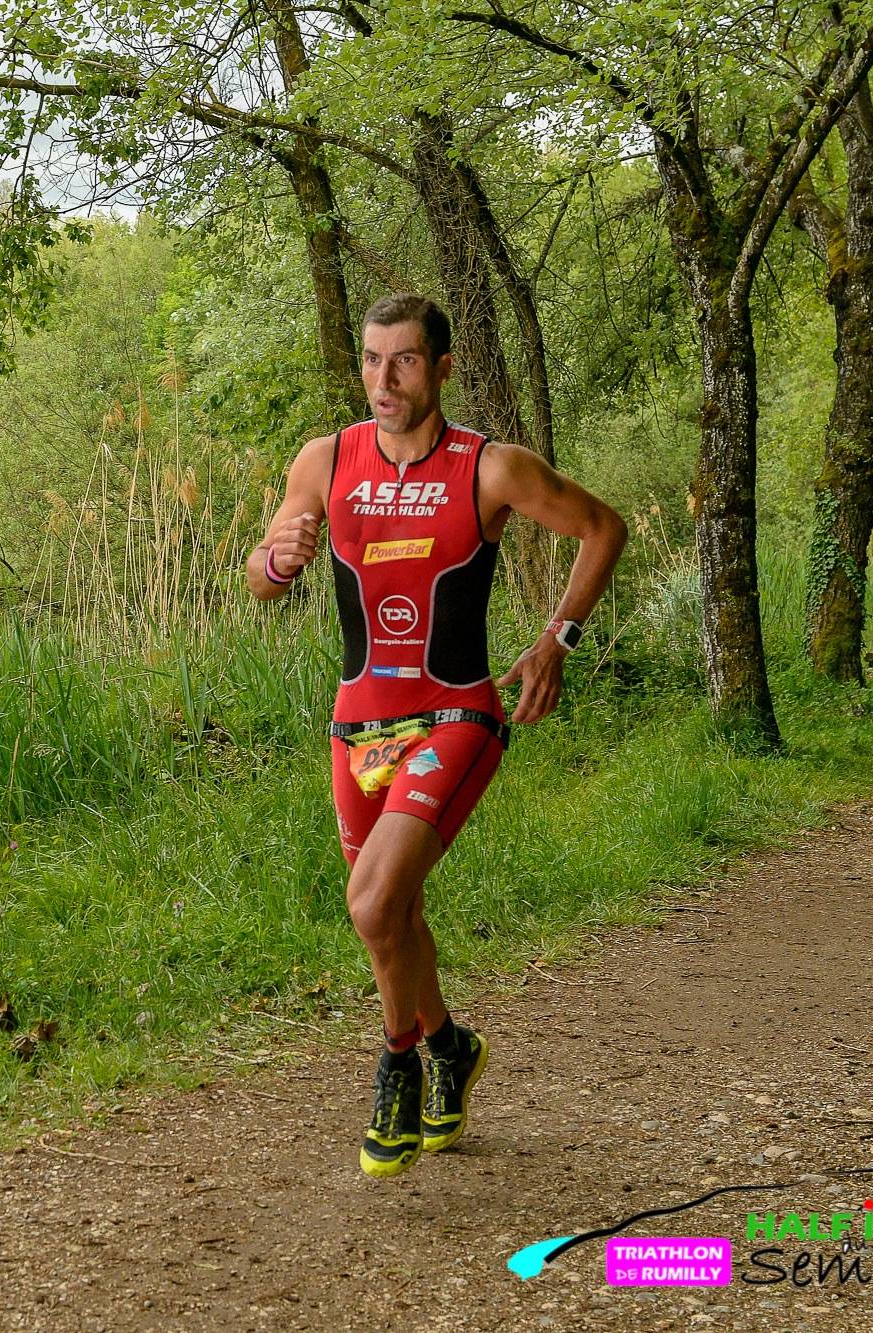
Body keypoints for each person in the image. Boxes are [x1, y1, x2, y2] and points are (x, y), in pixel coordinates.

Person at [247, 293, 626, 1178]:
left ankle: (398, 1065)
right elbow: (262, 578)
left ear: (443, 368)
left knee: (373, 903)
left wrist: (556, 641)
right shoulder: (324, 458)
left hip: (456, 715)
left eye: (405, 360)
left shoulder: (489, 467)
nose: (383, 379)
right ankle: (449, 1045)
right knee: (396, 915)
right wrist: (277, 561)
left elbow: (603, 528)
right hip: (355, 726)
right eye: (371, 359)